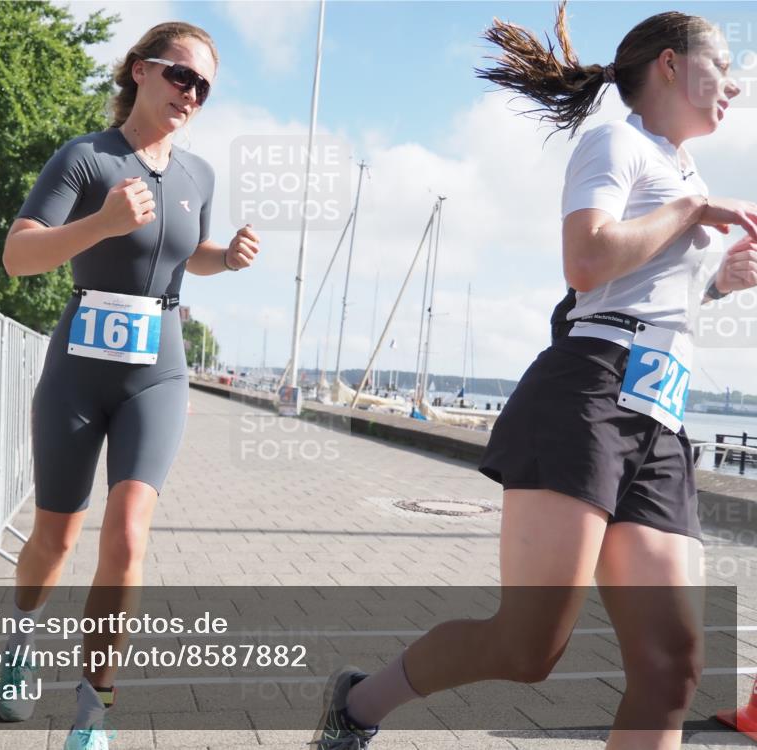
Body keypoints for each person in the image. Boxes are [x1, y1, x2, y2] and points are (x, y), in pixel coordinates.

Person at [310, 3, 756, 749]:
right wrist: (687, 213)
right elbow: (585, 264)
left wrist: (717, 284)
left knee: (674, 666)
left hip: (663, 416)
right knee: (528, 648)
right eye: (723, 67)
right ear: (671, 65)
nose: (735, 86)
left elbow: (642, 287)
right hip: (589, 394)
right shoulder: (617, 142)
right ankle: (358, 704)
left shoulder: (687, 171)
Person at [0, 21, 260, 750]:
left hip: (159, 367)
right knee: (55, 537)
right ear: (140, 71)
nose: (192, 93)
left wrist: (225, 257)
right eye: (181, 75)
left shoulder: (199, 174)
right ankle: (19, 644)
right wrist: (102, 223)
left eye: (204, 87)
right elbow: (19, 256)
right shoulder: (86, 157)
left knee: (128, 535)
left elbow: (181, 257)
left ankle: (92, 711)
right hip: (79, 369)